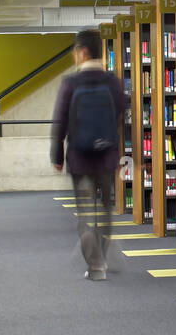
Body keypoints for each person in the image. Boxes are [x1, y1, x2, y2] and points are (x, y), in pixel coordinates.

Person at [51, 29, 126, 281]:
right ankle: (102, 256)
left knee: (85, 213)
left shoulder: (70, 83)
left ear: (82, 52)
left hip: (79, 159)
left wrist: (57, 156)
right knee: (105, 209)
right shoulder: (113, 82)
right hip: (106, 158)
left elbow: (60, 120)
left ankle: (96, 267)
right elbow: (121, 116)